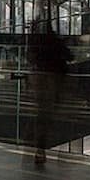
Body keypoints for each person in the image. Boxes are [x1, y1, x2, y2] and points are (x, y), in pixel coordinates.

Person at [30, 19, 72, 164]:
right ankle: (59, 150)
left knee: (41, 113)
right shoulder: (55, 40)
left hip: (39, 78)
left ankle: (40, 149)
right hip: (54, 78)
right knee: (55, 112)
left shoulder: (34, 42)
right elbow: (69, 56)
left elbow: (29, 58)